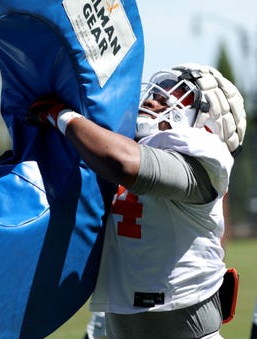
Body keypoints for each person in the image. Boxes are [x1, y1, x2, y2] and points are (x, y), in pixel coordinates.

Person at [27, 63, 246, 339]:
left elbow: (125, 165)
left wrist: (64, 116)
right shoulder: (126, 146)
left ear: (207, 126)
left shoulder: (203, 161)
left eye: (168, 98)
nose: (153, 99)